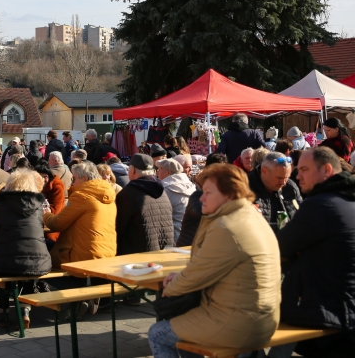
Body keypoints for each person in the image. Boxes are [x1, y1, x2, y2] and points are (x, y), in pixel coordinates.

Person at [148, 164, 281, 357]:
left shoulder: (226, 227)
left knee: (157, 333)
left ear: (228, 194)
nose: (201, 197)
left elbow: (196, 275)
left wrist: (172, 286)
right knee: (183, 324)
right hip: (261, 317)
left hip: (238, 323)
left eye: (208, 192)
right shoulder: (250, 215)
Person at [275, 147, 355, 357]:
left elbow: (278, 249)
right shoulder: (347, 200)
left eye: (304, 169)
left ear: (326, 170)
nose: (297, 175)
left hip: (328, 313)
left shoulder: (320, 205)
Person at [0, 170, 52, 328]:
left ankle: (3, 311)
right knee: (27, 265)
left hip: (9, 261)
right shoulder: (38, 204)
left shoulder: (3, 203)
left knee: (0, 264)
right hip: (40, 261)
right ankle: (25, 311)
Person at [44, 161, 117, 277]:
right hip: (107, 254)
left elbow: (56, 224)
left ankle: (33, 287)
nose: (71, 183)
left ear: (84, 178)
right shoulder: (109, 195)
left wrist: (46, 214)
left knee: (41, 248)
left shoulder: (82, 196)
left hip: (82, 258)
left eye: (74, 179)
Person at [115, 154, 173, 256]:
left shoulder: (128, 193)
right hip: (163, 253)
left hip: (138, 257)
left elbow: (118, 227)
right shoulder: (162, 191)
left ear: (133, 170)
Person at [176, 153, 228, 247]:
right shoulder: (198, 195)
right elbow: (202, 211)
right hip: (188, 248)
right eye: (216, 172)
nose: (220, 177)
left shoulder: (223, 196)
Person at [248, 152, 302, 230]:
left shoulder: (290, 187)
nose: (283, 183)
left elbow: (301, 215)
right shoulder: (245, 189)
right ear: (264, 171)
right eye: (279, 178)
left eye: (286, 177)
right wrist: (283, 227)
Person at [155, 159, 195, 244]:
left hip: (173, 235)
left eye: (160, 169)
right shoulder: (190, 185)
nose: (157, 172)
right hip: (191, 233)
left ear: (168, 172)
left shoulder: (164, 189)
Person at [34, 165, 65, 245]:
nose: (43, 179)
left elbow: (55, 210)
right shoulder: (33, 187)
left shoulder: (56, 188)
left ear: (50, 177)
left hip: (51, 228)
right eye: (40, 177)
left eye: (45, 176)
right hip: (39, 225)